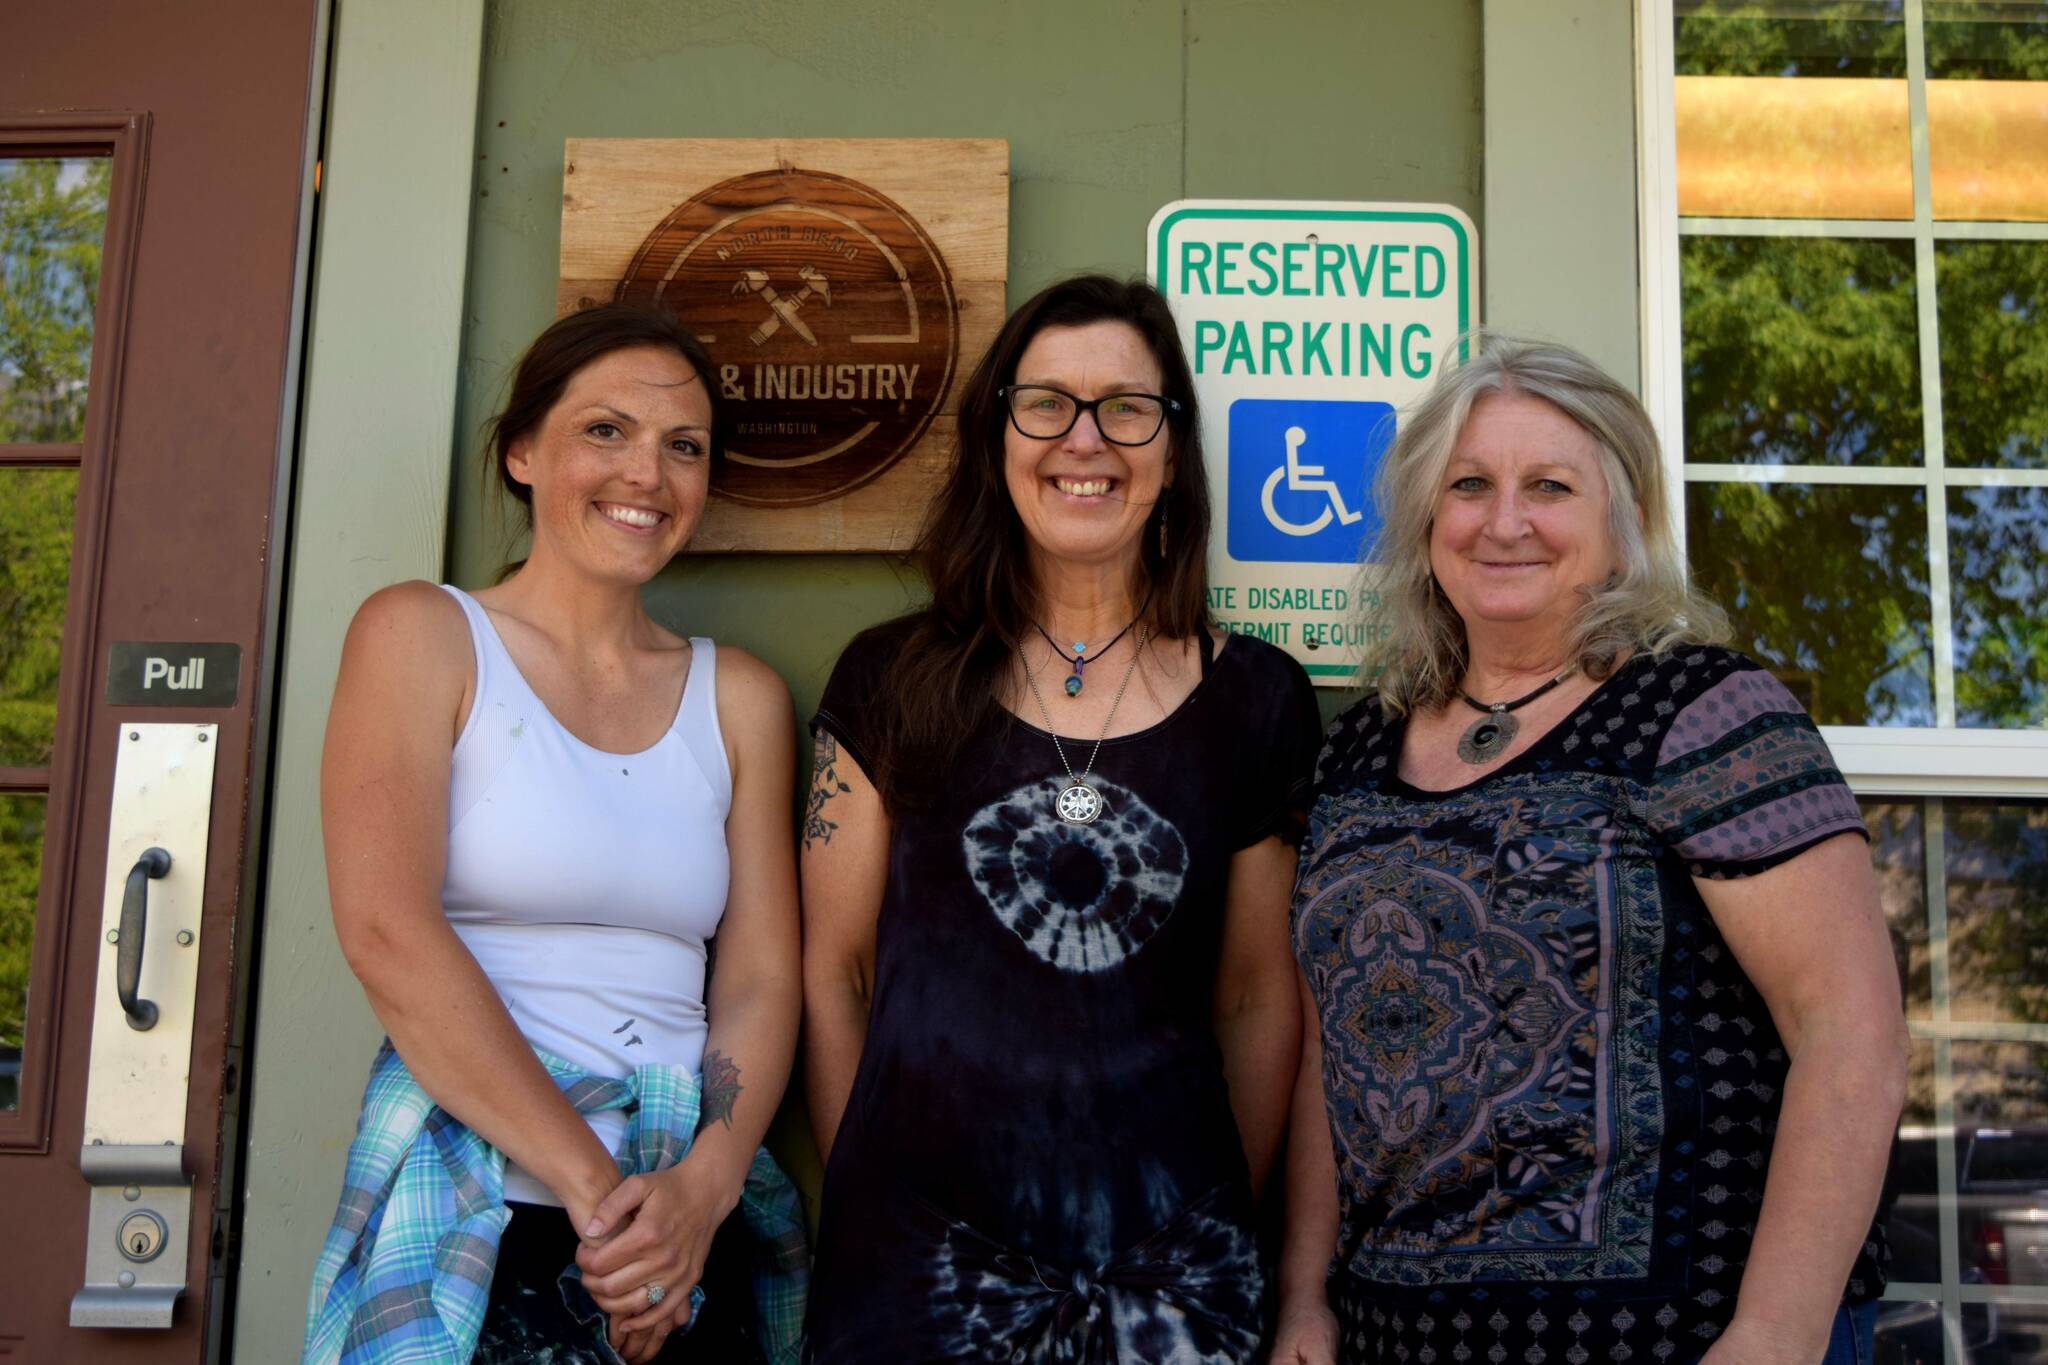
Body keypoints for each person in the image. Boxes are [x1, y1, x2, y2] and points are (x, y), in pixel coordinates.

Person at [1271, 334, 1907, 1365]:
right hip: (1394, 1335)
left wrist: (1776, 1332)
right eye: (1468, 484)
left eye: (1550, 486)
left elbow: (1851, 1037)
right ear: (1425, 521)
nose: (1504, 521)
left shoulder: (1702, 711)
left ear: (1622, 525)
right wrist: (1303, 1294)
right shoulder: (1354, 755)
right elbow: (1328, 1060)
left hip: (1683, 1335)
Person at [800, 274, 1324, 1361]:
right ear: (998, 436)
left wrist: (1208, 1219)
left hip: (1171, 1278)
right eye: (1045, 403)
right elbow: (836, 972)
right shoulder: (889, 679)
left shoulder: (1257, 699)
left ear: (1171, 449)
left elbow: (1254, 992)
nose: (1084, 440)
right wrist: (874, 1193)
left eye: (1126, 408)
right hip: (914, 1275)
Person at [306, 303, 805, 1365]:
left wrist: (701, 1194)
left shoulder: (741, 699)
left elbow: (762, 976)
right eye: (605, 432)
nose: (647, 475)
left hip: (680, 1216)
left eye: (685, 448)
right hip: (483, 1205)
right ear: (524, 451)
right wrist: (598, 1199)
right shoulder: (423, 637)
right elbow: (385, 930)